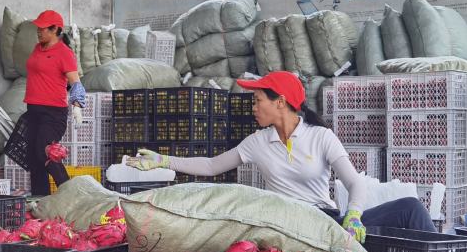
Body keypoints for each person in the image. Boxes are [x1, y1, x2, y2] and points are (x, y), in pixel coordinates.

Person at [127, 71, 436, 240]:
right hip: (287, 228)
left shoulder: (320, 136)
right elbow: (212, 165)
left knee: (410, 209)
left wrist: (353, 215)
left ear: (281, 103)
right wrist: (163, 160)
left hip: (325, 222)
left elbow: (355, 183)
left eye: (258, 99)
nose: (253, 106)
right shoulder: (258, 142)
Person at [20, 9, 86, 196]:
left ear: (55, 29)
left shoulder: (64, 53)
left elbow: (76, 83)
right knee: (34, 158)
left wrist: (77, 106)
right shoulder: (37, 48)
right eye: (38, 28)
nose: (39, 32)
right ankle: (40, 200)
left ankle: (69, 195)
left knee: (46, 152)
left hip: (53, 113)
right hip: (33, 110)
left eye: (43, 28)